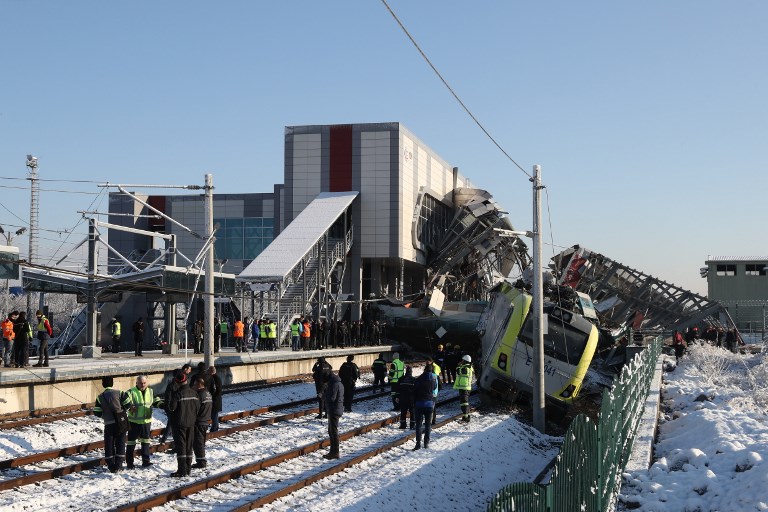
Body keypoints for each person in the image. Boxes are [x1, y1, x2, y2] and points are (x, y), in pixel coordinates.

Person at [94, 376, 132, 473]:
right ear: (112, 383)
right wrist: (121, 410)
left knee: (109, 444)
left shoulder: (99, 397)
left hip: (108, 424)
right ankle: (119, 465)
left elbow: (97, 412)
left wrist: (105, 415)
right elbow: (128, 404)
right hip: (121, 423)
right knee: (120, 442)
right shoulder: (119, 393)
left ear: (103, 384)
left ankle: (111, 465)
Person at [125, 375, 162, 469]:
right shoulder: (131, 391)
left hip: (146, 422)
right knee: (131, 443)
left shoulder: (150, 391)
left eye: (144, 383)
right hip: (134, 422)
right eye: (141, 383)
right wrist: (129, 406)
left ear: (147, 383)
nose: (143, 385)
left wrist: (163, 405)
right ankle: (130, 463)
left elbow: (156, 400)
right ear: (136, 383)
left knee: (145, 442)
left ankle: (146, 461)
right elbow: (124, 401)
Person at [167, 371, 199, 477]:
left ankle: (182, 470)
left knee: (181, 447)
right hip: (191, 423)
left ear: (177, 382)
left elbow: (172, 408)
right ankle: (188, 469)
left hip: (179, 424)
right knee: (189, 446)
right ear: (187, 380)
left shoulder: (177, 394)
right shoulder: (194, 393)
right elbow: (198, 408)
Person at [413, 363, 438, 450]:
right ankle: (426, 443)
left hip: (419, 404)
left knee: (418, 425)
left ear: (424, 370)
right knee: (428, 425)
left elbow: (414, 390)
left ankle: (418, 444)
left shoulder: (418, 379)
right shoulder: (433, 379)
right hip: (429, 404)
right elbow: (434, 388)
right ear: (431, 370)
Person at [323, 369, 344, 459]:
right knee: (331, 431)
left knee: (333, 432)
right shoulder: (337, 382)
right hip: (336, 409)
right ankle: (333, 451)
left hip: (334, 410)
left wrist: (324, 393)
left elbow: (332, 398)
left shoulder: (334, 384)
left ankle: (335, 452)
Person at [192, 377, 212, 468]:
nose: (193, 386)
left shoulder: (199, 395)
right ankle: (201, 460)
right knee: (201, 442)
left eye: (195, 384)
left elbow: (195, 408)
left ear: (199, 385)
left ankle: (201, 462)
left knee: (198, 443)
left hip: (199, 421)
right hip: (205, 420)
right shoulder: (208, 393)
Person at [454, 354, 474, 422]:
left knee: (464, 403)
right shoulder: (467, 367)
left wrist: (458, 366)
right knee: (465, 402)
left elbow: (459, 372)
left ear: (465, 361)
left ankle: (466, 418)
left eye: (463, 360)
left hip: (464, 388)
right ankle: (466, 416)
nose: (461, 361)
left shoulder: (466, 368)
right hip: (465, 387)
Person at [207, 366, 223, 432]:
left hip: (215, 400)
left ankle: (214, 428)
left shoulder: (214, 379)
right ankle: (215, 427)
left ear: (211, 372)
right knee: (215, 415)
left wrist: (212, 396)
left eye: (208, 371)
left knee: (214, 415)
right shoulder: (217, 378)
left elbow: (216, 390)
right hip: (217, 399)